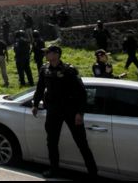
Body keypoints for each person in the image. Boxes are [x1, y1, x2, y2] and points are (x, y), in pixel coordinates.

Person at [32, 45, 97, 179]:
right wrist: (36, 103)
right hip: (53, 110)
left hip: (70, 111)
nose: (45, 55)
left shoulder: (69, 70)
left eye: (47, 53)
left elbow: (81, 93)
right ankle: (54, 170)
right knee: (51, 141)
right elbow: (40, 87)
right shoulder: (44, 69)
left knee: (81, 143)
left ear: (56, 54)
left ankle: (93, 173)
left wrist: (80, 112)